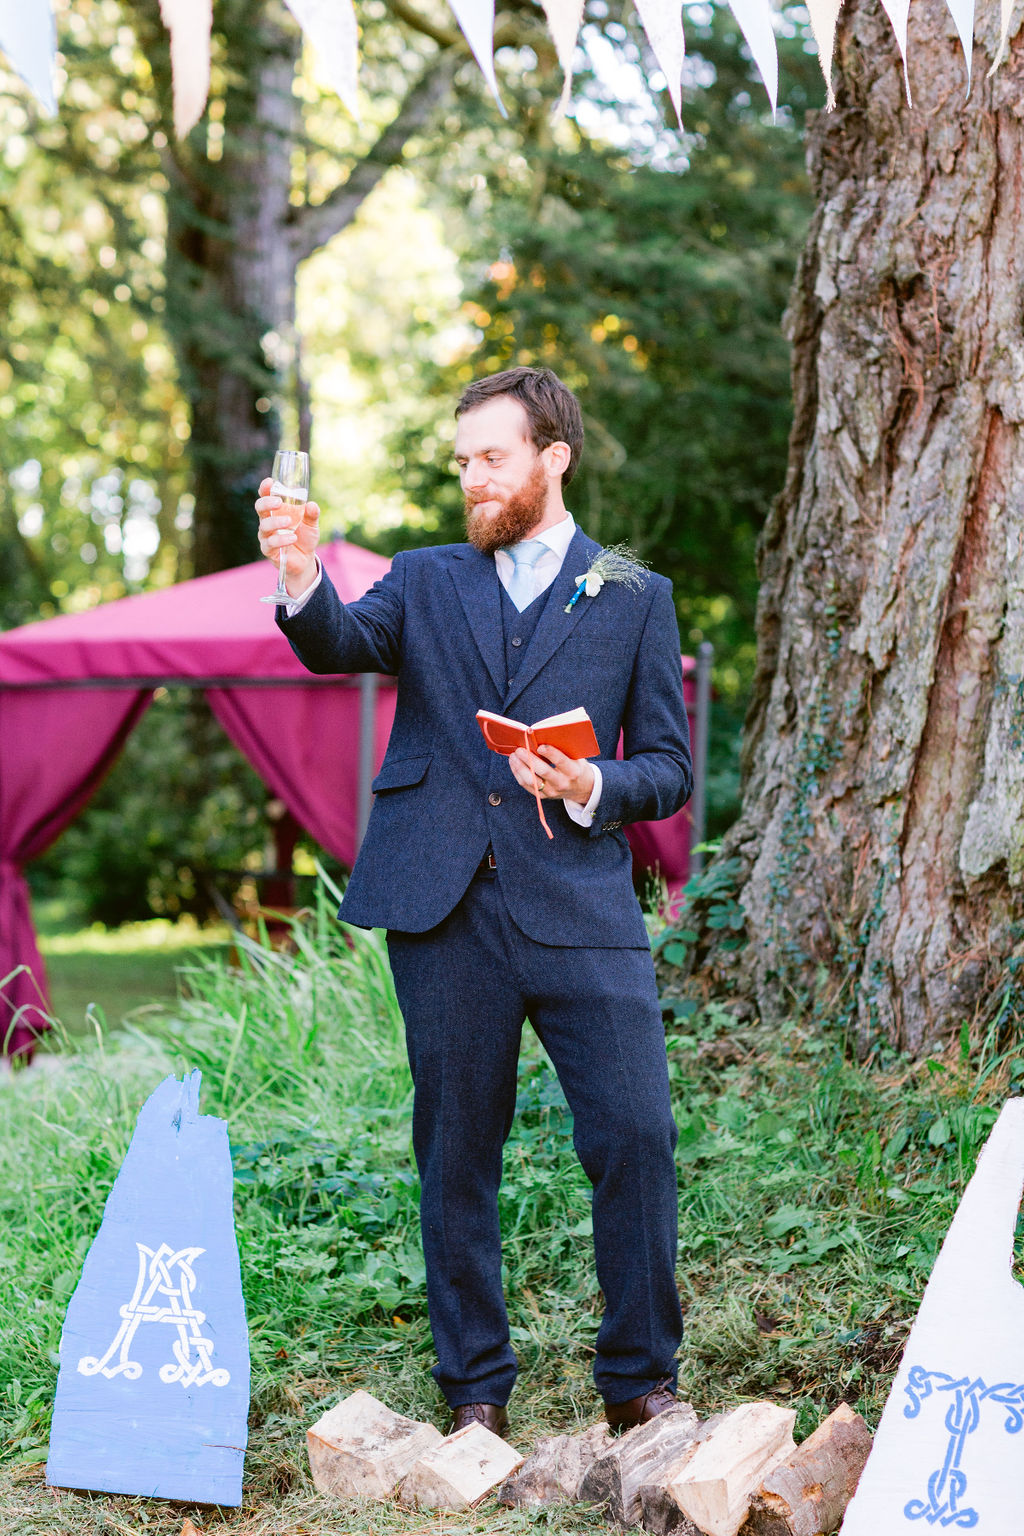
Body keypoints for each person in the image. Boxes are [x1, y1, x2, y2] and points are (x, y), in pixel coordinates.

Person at [256, 366, 692, 1436]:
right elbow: (339, 647)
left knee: (635, 1133)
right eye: (460, 461)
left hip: (582, 907)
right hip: (442, 905)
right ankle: (475, 1397)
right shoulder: (428, 576)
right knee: (454, 1151)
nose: (470, 478)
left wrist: (592, 784)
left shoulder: (633, 595)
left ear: (553, 458)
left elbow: (669, 769)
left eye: (489, 456)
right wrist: (301, 572)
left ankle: (640, 1383)